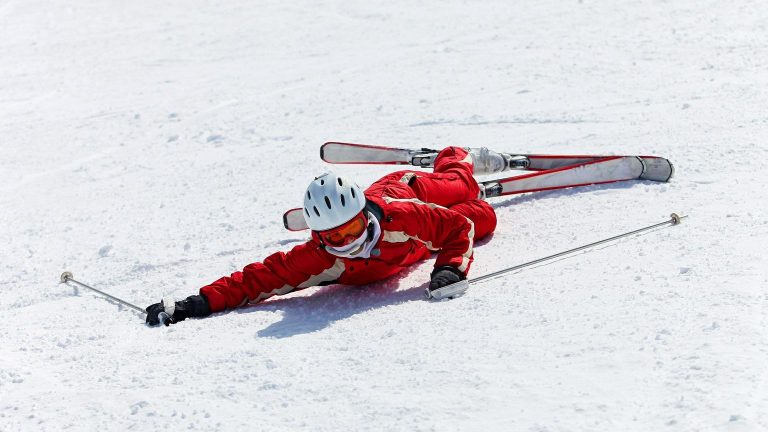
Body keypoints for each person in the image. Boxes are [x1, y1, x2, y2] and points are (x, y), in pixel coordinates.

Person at [145, 146, 518, 325]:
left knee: (460, 186)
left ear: (363, 215)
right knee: (483, 218)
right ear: (318, 236)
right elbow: (258, 279)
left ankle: (456, 156)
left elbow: (456, 231)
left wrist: (449, 269)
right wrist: (194, 304)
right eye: (334, 236)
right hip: (416, 247)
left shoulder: (398, 215)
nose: (346, 242)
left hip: (407, 190)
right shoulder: (319, 256)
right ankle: (477, 196)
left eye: (351, 229)